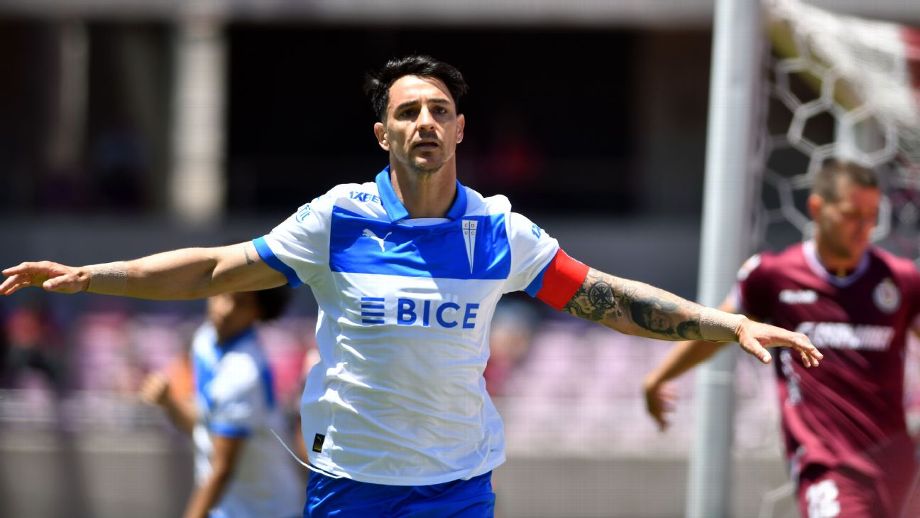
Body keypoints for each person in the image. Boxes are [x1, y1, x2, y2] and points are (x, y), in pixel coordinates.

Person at [0, 55, 822, 517]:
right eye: (407, 111)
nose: (424, 121)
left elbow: (610, 298)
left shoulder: (500, 232)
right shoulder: (337, 220)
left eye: (438, 109)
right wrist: (90, 276)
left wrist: (721, 324)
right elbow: (218, 267)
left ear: (460, 128)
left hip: (456, 492)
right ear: (382, 131)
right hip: (348, 487)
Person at [643, 160, 920, 518]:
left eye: (872, 216)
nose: (865, 228)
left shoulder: (900, 280)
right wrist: (659, 377)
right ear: (818, 208)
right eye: (853, 215)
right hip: (827, 467)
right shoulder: (774, 276)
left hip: (900, 468)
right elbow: (715, 331)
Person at [139, 286, 302, 518]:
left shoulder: (243, 373)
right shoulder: (204, 340)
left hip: (268, 510)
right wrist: (169, 402)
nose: (225, 309)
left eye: (241, 303)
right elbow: (203, 423)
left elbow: (222, 468)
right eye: (223, 295)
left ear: (259, 312)